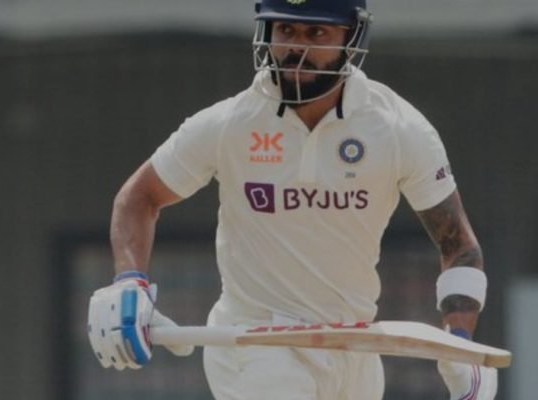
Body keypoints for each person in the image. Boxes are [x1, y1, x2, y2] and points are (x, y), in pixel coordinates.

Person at [87, 0, 498, 398]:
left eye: (316, 32)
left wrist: (460, 344)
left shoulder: (398, 129)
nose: (296, 47)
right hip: (257, 344)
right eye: (285, 29)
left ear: (352, 36)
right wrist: (130, 282)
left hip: (354, 347)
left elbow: (458, 247)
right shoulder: (231, 123)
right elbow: (139, 197)